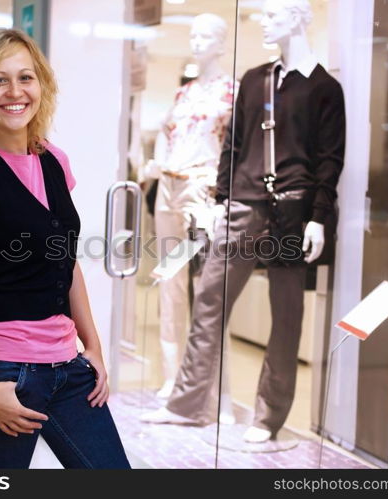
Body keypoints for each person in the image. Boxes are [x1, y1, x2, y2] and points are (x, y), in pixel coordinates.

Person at [141, 0, 345, 444]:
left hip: (293, 209)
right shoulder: (255, 80)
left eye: (271, 15)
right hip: (242, 206)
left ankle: (267, 416)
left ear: (297, 18)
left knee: (286, 314)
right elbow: (232, 146)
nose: (263, 22)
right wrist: (221, 199)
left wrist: (319, 218)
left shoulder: (324, 88)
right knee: (210, 298)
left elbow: (330, 159)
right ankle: (187, 404)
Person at [0, 28, 130, 469]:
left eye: (26, 78)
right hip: (3, 373)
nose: (15, 92)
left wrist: (91, 344)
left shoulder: (55, 160)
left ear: (42, 86)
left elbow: (66, 261)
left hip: (68, 370)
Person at [139, 14, 237, 417]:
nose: (196, 41)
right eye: (193, 34)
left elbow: (236, 148)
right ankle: (171, 376)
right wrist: (154, 165)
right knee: (169, 285)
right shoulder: (184, 94)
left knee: (209, 290)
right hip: (168, 187)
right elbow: (167, 135)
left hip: (203, 188)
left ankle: (217, 389)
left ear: (221, 43)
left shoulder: (232, 92)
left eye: (205, 35)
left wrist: (223, 195)